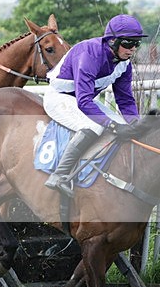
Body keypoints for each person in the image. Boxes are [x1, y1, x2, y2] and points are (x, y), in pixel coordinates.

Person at [43, 14, 147, 196]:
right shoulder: (89, 54)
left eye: (136, 44)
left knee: (125, 127)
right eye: (128, 43)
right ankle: (59, 175)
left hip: (83, 100)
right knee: (93, 126)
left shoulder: (124, 65)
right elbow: (84, 101)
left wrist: (134, 124)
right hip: (60, 98)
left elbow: (125, 100)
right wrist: (113, 125)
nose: (132, 49)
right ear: (113, 41)